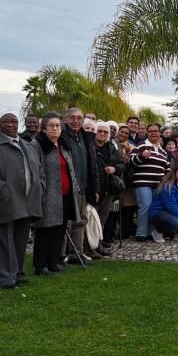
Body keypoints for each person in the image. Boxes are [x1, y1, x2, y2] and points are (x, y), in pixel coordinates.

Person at [0, 109, 44, 288]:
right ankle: (5, 278)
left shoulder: (27, 145)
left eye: (14, 121)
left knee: (20, 241)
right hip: (3, 201)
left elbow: (39, 169)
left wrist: (40, 186)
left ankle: (17, 273)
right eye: (5, 121)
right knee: (3, 241)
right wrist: (1, 190)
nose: (11, 125)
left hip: (27, 201)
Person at [30, 112, 82, 276]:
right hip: (48, 195)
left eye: (58, 125)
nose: (55, 128)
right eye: (51, 126)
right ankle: (40, 265)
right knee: (45, 230)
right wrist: (41, 192)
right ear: (43, 128)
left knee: (59, 229)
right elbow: (35, 171)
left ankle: (54, 262)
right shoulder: (37, 145)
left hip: (65, 195)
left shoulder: (63, 144)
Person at [62, 107, 100, 262]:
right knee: (66, 222)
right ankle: (60, 254)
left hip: (83, 187)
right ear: (66, 119)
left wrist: (95, 188)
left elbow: (93, 164)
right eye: (72, 118)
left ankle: (76, 253)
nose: (76, 121)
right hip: (67, 187)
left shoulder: (85, 137)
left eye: (79, 118)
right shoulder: (62, 136)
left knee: (81, 220)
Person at [129, 123, 170, 242]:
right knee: (145, 206)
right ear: (147, 133)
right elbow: (131, 162)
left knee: (154, 208)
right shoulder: (141, 145)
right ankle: (141, 234)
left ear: (159, 133)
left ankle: (149, 232)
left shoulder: (163, 151)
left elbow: (167, 169)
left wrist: (166, 178)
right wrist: (142, 156)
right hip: (142, 183)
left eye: (155, 131)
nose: (153, 133)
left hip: (157, 185)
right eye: (151, 131)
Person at [92, 122, 125, 256]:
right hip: (93, 188)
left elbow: (122, 165)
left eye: (105, 132)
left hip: (108, 188)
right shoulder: (89, 146)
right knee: (90, 220)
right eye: (100, 131)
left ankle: (98, 246)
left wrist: (114, 168)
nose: (102, 134)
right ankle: (88, 247)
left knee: (102, 220)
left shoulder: (111, 148)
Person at [149, 163, 178, 242]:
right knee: (176, 223)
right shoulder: (168, 185)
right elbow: (170, 205)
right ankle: (158, 231)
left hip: (172, 211)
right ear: (174, 173)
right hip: (159, 212)